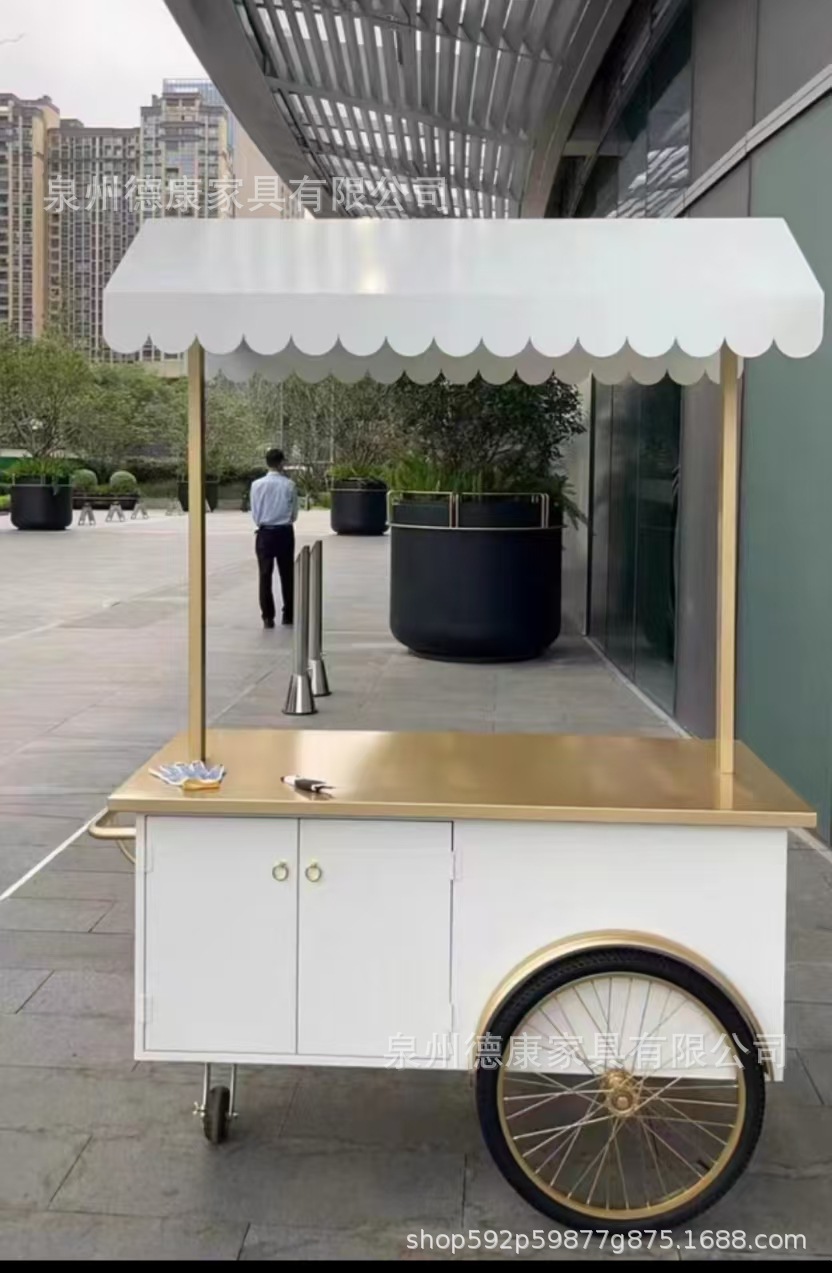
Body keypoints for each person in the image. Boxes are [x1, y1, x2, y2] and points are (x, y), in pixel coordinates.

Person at [250, 448, 298, 628]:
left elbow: (255, 510)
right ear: (282, 463)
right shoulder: (289, 484)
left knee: (265, 575)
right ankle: (288, 614)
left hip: (265, 532)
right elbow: (294, 513)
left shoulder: (256, 485)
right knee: (287, 574)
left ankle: (268, 616)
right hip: (284, 531)